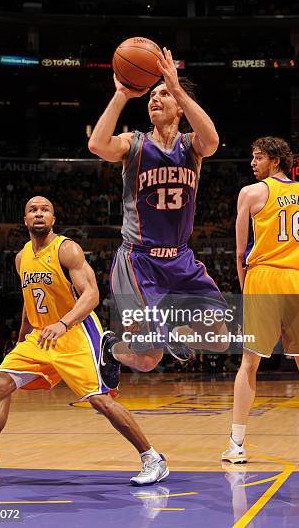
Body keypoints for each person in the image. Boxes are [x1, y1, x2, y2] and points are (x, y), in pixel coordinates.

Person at [0, 196, 168, 486]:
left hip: (75, 334)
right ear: (25, 220)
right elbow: (30, 304)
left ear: (53, 220)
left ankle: (153, 459)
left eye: (45, 210)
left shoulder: (67, 249)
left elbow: (92, 294)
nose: (39, 213)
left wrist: (63, 322)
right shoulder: (21, 258)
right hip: (40, 337)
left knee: (100, 401)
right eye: (33, 210)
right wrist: (20, 340)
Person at [89, 47, 230, 388]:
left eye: (163, 94)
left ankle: (172, 333)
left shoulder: (190, 146)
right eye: (151, 95)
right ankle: (111, 346)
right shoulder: (134, 144)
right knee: (147, 359)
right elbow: (97, 144)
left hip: (180, 260)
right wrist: (122, 93)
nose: (154, 99)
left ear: (180, 106)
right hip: (140, 261)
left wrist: (176, 86)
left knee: (220, 338)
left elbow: (212, 140)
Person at [222, 136, 299, 466]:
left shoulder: (250, 194)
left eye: (258, 157)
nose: (252, 163)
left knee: (249, 363)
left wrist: (243, 292)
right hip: (296, 281)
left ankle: (236, 445)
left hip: (261, 278)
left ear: (275, 161)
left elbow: (239, 253)